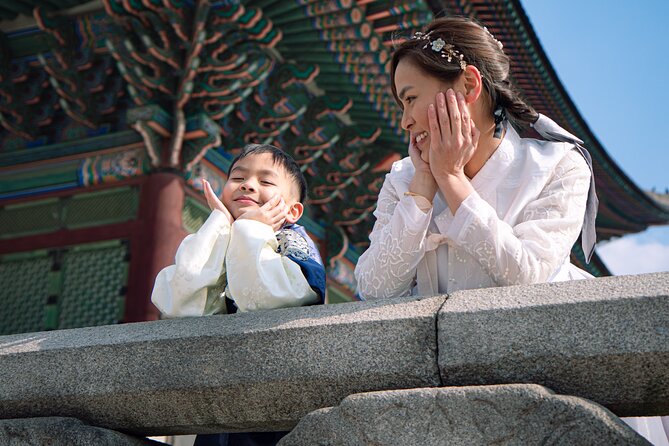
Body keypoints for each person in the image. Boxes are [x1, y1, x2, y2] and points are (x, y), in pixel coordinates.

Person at [354, 16, 598, 299]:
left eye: (410, 99)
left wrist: (452, 179)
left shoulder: (559, 166)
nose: (405, 122)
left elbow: (529, 276)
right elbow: (373, 289)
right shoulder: (403, 178)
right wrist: (422, 188)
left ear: (469, 85)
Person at [151, 143, 325, 446]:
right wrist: (219, 224)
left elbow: (268, 298)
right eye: (238, 177)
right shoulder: (223, 238)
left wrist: (249, 229)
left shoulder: (293, 242)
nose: (248, 184)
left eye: (266, 181)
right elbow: (180, 301)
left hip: (275, 400)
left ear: (294, 210)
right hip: (222, 397)